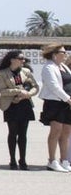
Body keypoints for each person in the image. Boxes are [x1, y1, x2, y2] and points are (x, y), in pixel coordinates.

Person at [0, 50, 37, 170]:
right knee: (13, 132)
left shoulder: (26, 71)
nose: (23, 61)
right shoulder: (2, 73)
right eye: (20, 58)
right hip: (11, 105)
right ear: (12, 59)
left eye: (24, 59)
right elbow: (3, 91)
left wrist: (27, 94)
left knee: (23, 134)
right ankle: (12, 160)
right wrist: (18, 91)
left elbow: (35, 87)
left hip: (25, 104)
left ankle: (23, 160)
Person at [37, 44, 71, 172]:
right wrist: (67, 98)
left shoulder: (64, 67)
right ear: (54, 54)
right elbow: (53, 86)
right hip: (55, 102)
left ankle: (64, 160)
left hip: (67, 103)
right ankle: (52, 160)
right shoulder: (48, 67)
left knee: (66, 132)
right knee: (56, 130)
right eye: (63, 52)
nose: (65, 54)